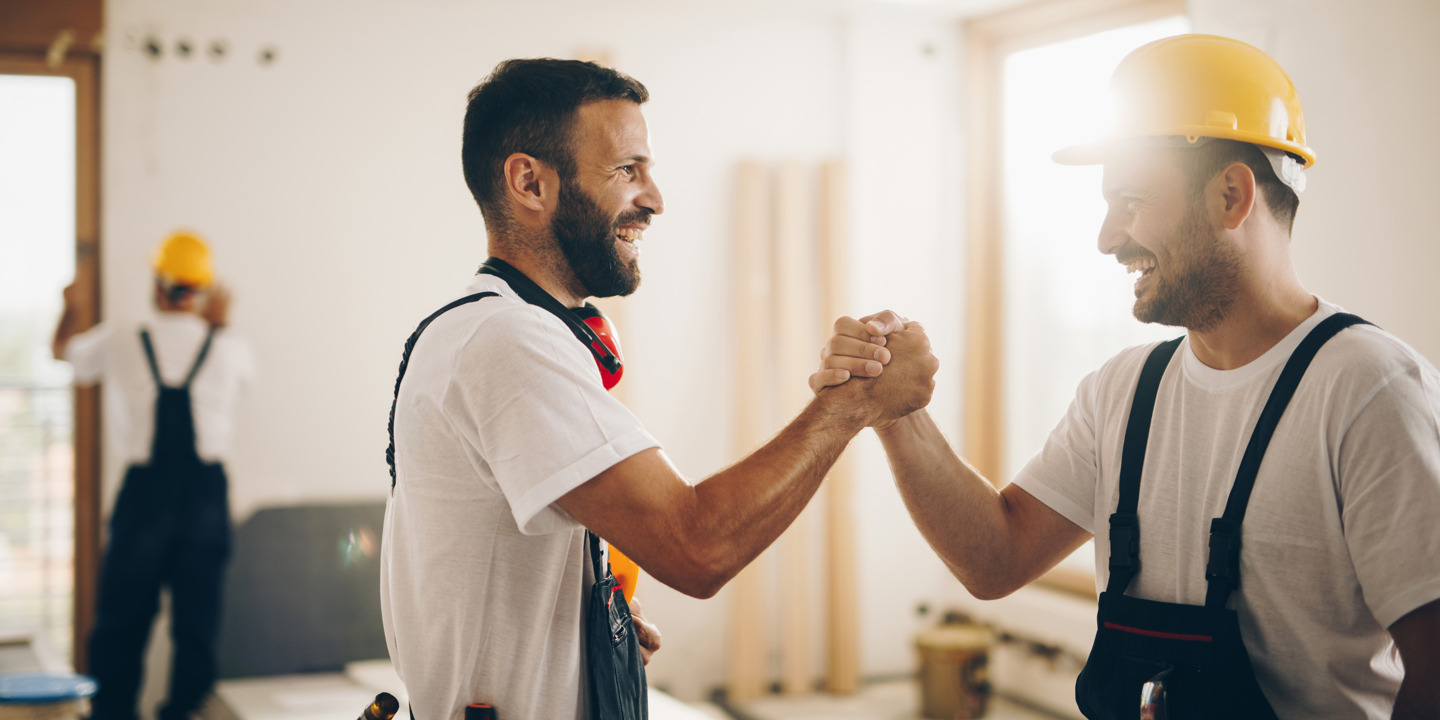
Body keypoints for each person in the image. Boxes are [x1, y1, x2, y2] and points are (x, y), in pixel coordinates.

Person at [813, 34, 1440, 719]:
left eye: (1132, 199)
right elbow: (995, 558)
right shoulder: (1123, 391)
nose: (1107, 238)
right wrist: (896, 410)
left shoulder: (1370, 389)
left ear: (1231, 194)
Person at [379, 58, 939, 720]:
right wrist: (852, 403)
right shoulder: (506, 342)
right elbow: (697, 546)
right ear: (530, 182)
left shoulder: (504, 332)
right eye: (627, 170)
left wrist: (587, 619)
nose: (655, 198)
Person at [54, 231, 254, 720]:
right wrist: (219, 327)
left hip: (144, 498)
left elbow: (64, 353)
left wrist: (68, 304)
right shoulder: (229, 347)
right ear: (201, 291)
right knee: (197, 630)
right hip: (206, 497)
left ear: (159, 285)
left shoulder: (122, 335)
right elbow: (243, 384)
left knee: (119, 626)